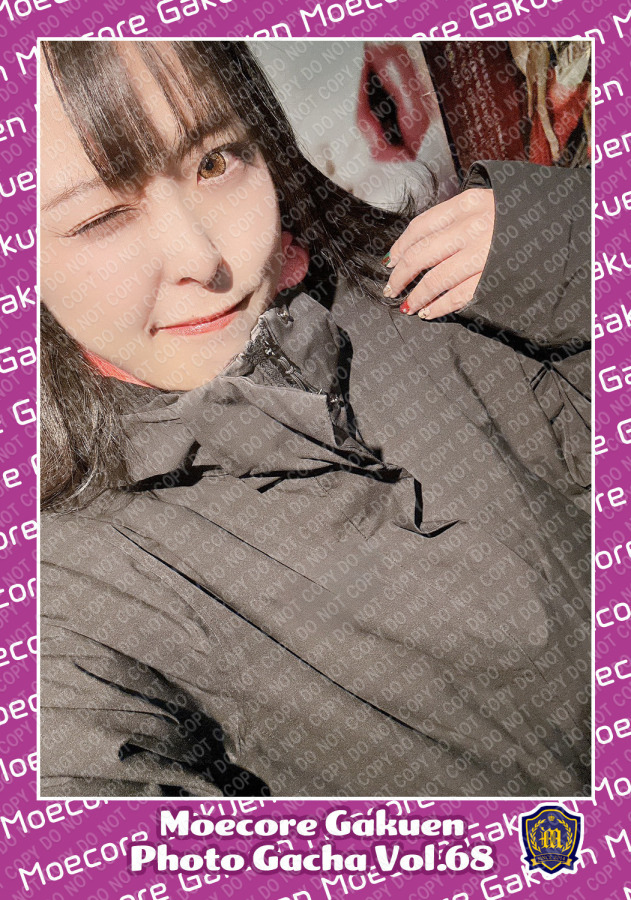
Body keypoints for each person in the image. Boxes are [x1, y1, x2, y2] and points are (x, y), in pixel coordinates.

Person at [40, 39, 591, 798]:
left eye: (213, 162)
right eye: (102, 216)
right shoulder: (62, 589)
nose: (203, 256)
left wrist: (571, 248)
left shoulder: (423, 291)